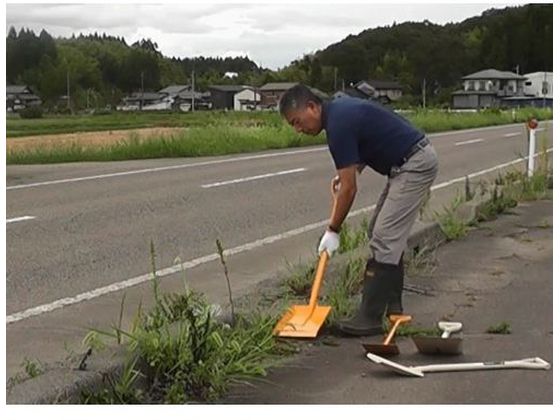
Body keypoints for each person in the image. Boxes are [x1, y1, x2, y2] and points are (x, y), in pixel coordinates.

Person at [279, 84, 438, 336]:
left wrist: (333, 230)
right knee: (380, 231)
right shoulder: (340, 112)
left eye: (298, 122)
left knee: (385, 235)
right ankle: (393, 307)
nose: (299, 129)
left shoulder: (337, 125)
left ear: (312, 106)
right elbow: (368, 139)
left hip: (414, 163)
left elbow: (349, 190)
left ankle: (369, 317)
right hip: (404, 164)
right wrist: (352, 171)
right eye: (293, 126)